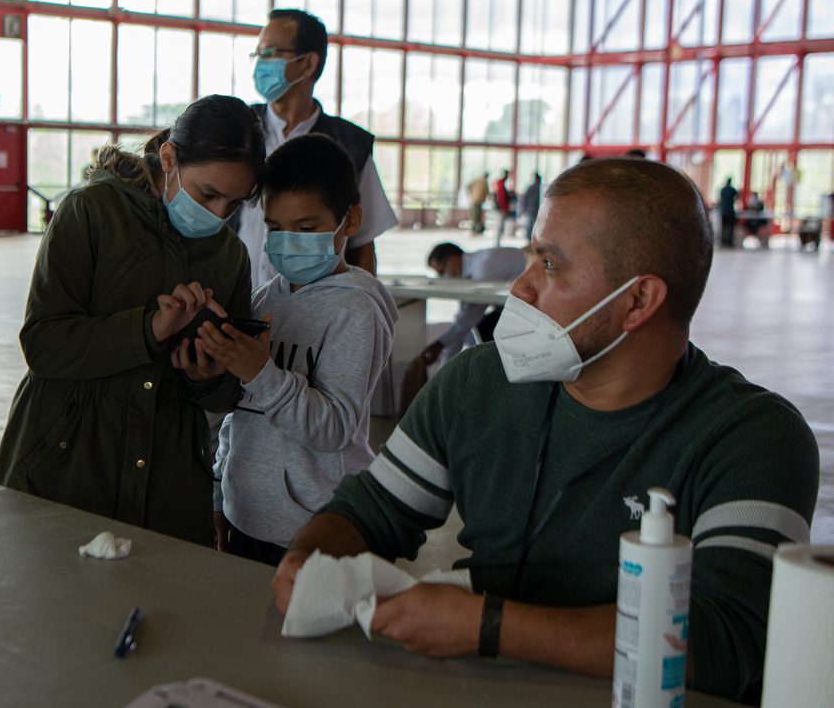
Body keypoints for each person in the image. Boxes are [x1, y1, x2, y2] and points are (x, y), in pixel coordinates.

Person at [270, 158, 819, 702]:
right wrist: (309, 560)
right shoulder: (477, 384)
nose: (521, 288)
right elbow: (370, 512)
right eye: (533, 255)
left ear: (638, 300)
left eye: (550, 265)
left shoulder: (754, 438)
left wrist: (488, 627)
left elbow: (726, 641)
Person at [0, 95, 267, 545]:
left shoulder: (229, 255)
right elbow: (43, 344)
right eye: (208, 194)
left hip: (169, 478)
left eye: (233, 204)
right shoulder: (90, 212)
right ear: (169, 157)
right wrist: (147, 329)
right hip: (70, 459)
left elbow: (224, 393)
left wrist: (209, 373)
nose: (218, 216)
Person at [191, 135, 396, 566]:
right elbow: (238, 417)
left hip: (312, 530)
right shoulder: (266, 299)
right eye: (275, 228)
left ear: (351, 220)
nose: (288, 241)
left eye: (306, 228)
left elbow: (334, 427)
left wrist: (260, 371)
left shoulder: (355, 310)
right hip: (245, 514)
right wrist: (220, 492)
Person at [239, 9, 399, 288]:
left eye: (270, 54)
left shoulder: (350, 144)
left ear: (308, 63)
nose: (260, 64)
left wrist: (361, 301)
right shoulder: (239, 131)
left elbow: (362, 245)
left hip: (314, 311)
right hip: (238, 304)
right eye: (258, 55)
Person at [420, 243, 526, 366]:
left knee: (489, 328)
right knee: (484, 327)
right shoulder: (470, 274)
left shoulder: (484, 268)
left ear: (452, 260)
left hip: (533, 311)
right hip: (517, 308)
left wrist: (440, 344)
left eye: (442, 271)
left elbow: (471, 316)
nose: (443, 277)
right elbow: (462, 321)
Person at [493, 170, 515, 246]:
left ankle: (497, 242)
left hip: (500, 208)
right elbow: (501, 198)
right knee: (499, 226)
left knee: (500, 226)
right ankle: (496, 243)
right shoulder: (500, 185)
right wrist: (504, 209)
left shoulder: (500, 185)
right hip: (500, 209)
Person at [520, 173, 542, 244]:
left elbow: (525, 198)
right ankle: (535, 241)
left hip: (530, 209)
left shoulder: (530, 187)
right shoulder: (540, 188)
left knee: (530, 225)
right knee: (536, 226)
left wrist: (524, 208)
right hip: (537, 209)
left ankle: (529, 240)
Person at [718, 177, 739, 248]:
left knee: (723, 228)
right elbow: (738, 197)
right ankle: (730, 242)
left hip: (724, 211)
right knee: (731, 228)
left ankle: (723, 241)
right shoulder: (733, 190)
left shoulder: (723, 190)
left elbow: (720, 199)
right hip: (730, 211)